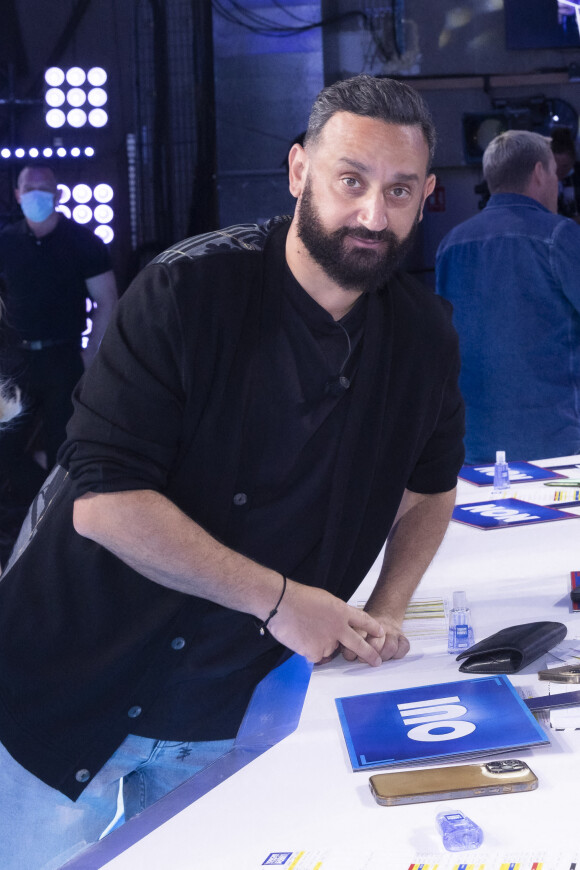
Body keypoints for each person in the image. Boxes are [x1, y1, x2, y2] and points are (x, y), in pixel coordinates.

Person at [0, 74, 464, 869]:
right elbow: (104, 505)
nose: (371, 216)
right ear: (297, 173)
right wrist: (283, 602)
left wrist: (383, 611)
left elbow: (432, 485)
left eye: (398, 192)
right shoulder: (187, 290)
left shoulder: (423, 335)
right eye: (350, 181)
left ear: (426, 198)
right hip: (64, 682)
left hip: (223, 710)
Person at [436, 129, 580, 464]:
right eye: (555, 174)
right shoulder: (559, 236)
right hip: (557, 444)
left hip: (473, 445)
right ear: (539, 173)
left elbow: (442, 342)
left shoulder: (450, 246)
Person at [0, 164, 118, 564]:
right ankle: (20, 523)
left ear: (57, 194)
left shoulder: (82, 241)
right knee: (6, 446)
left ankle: (58, 538)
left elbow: (106, 301)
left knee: (63, 447)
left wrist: (90, 353)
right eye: (29, 189)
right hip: (15, 362)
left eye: (44, 188)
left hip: (63, 355)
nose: (36, 195)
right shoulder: (6, 243)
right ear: (17, 195)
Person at [551, 125, 580, 220]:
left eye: (565, 166)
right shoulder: (545, 179)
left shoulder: (577, 175)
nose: (559, 171)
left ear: (573, 160)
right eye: (556, 166)